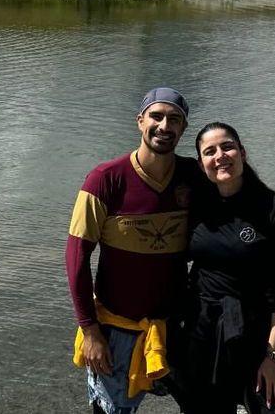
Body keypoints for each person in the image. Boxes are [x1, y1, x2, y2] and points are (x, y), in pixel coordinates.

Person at [171, 122, 275, 414]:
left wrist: (274, 356)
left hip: (255, 333)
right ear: (202, 165)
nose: (220, 156)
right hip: (201, 332)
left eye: (227, 146)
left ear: (242, 152)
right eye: (209, 151)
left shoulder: (274, 210)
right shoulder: (196, 205)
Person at [66, 87, 195, 414]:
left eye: (175, 119)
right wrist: (90, 331)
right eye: (157, 116)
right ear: (140, 121)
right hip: (117, 330)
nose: (165, 126)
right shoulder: (105, 180)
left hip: (178, 326)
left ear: (183, 128)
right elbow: (77, 260)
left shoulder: (193, 177)